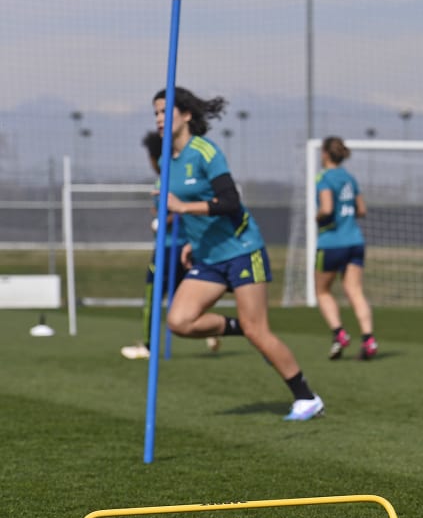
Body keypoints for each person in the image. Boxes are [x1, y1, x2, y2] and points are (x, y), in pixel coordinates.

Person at [154, 87, 323, 421]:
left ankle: (307, 398)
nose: (159, 119)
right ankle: (239, 328)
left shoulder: (205, 152)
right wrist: (191, 240)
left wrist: (183, 207)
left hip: (243, 249)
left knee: (258, 330)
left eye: (166, 111)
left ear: (186, 115)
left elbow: (229, 202)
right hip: (208, 256)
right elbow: (190, 211)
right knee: (179, 322)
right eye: (156, 113)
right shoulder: (165, 159)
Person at [121, 131, 219, 359]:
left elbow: (174, 211)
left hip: (169, 247)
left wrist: (161, 220)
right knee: (183, 295)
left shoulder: (166, 179)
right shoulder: (185, 175)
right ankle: (209, 329)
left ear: (155, 158)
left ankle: (147, 345)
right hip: (189, 245)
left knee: (153, 294)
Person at [315, 136, 377, 361]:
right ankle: (368, 339)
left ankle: (339, 334)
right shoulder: (350, 178)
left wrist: (318, 216)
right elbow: (361, 210)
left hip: (331, 242)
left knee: (322, 291)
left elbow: (327, 208)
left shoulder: (323, 177)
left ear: (324, 154)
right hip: (355, 241)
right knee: (355, 291)